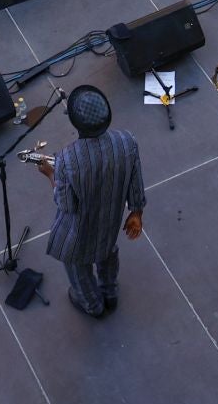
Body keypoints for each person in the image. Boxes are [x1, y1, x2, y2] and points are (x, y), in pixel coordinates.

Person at [37, 84, 145, 318]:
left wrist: (50, 174)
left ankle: (92, 305)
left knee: (78, 268)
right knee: (107, 253)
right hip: (109, 223)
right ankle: (110, 292)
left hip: (80, 232)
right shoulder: (127, 141)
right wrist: (136, 213)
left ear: (76, 125)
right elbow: (136, 187)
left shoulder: (67, 159)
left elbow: (66, 205)